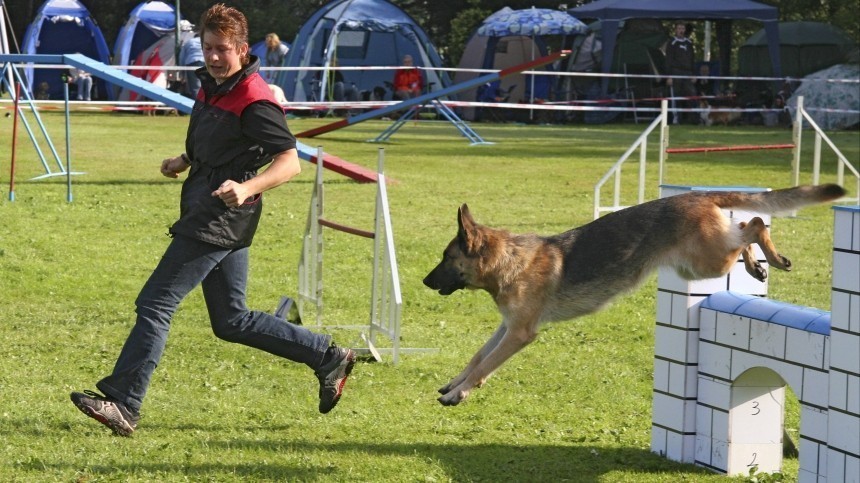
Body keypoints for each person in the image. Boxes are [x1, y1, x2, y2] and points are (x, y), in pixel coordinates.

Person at [70, 3, 356, 437]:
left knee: (155, 303)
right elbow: (217, 141)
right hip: (209, 209)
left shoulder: (256, 100)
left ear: (242, 48)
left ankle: (124, 403)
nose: (214, 56)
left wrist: (247, 188)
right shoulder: (211, 85)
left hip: (219, 218)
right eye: (207, 47)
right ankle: (327, 356)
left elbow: (289, 163)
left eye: (222, 49)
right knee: (231, 320)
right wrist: (184, 158)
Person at [662, 22, 695, 124]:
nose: (681, 30)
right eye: (679, 28)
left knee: (691, 95)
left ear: (685, 30)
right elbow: (668, 60)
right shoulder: (672, 43)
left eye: (682, 28)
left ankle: (692, 119)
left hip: (688, 73)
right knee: (676, 96)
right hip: (675, 72)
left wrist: (693, 74)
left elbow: (692, 60)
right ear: (675, 30)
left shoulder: (689, 43)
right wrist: (669, 76)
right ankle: (676, 119)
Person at [179, 25, 204, 99]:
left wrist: (182, 72)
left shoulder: (189, 42)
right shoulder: (206, 41)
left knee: (195, 87)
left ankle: (197, 107)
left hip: (192, 63)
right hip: (206, 63)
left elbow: (182, 57)